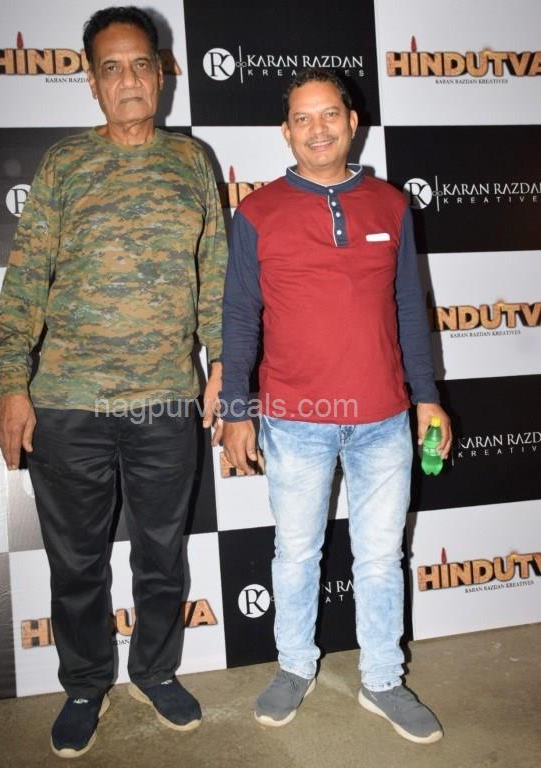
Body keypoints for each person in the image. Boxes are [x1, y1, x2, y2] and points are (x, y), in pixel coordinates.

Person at [0, 6, 226, 758]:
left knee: (162, 555)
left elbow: (216, 273)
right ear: (92, 83)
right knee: (76, 564)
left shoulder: (193, 161)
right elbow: (26, 278)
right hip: (68, 404)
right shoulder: (64, 163)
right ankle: (85, 683)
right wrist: (11, 384)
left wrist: (224, 361)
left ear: (162, 74)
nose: (128, 80)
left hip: (166, 401)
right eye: (111, 68)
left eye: (141, 65)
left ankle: (155, 670)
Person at [221, 68, 452, 744]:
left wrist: (427, 399)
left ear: (353, 123)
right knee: (296, 554)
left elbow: (409, 310)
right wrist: (236, 410)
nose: (317, 129)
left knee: (380, 557)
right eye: (303, 118)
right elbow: (240, 317)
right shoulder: (257, 213)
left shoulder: (391, 206)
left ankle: (383, 678)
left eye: (330, 114)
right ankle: (294, 666)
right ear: (286, 131)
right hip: (295, 420)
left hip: (383, 418)